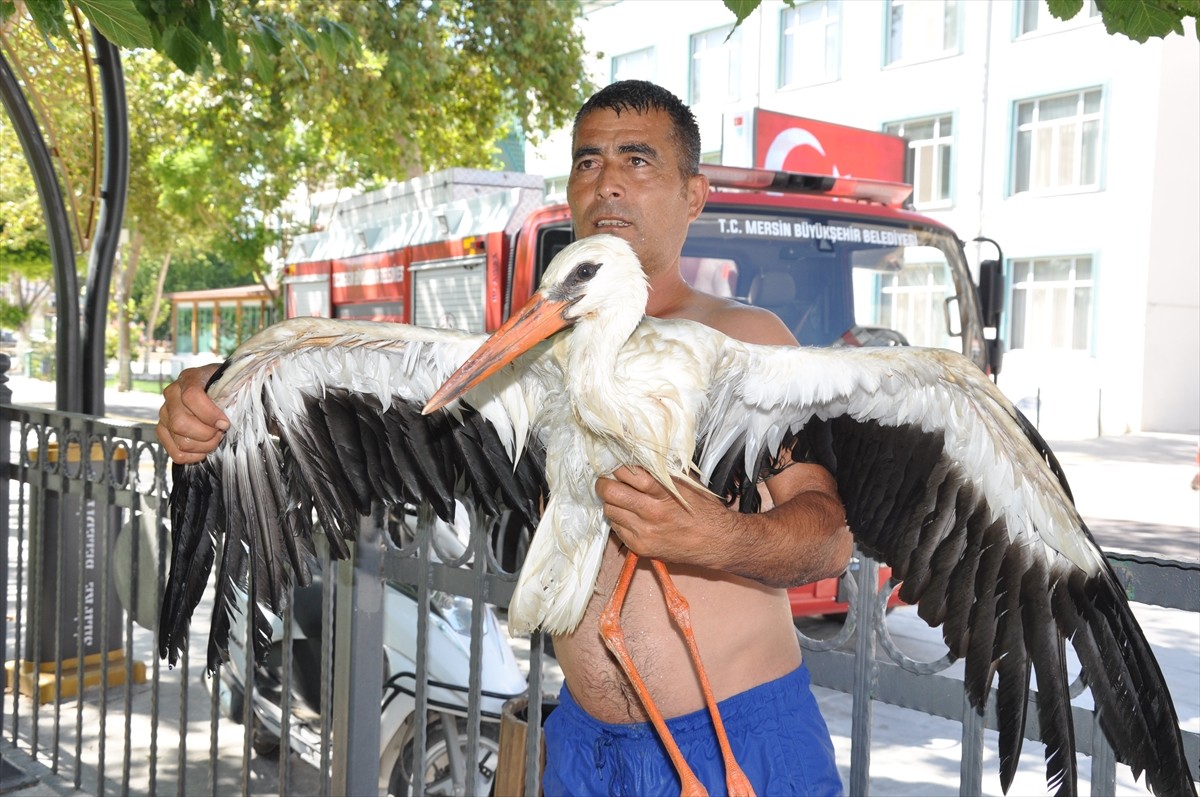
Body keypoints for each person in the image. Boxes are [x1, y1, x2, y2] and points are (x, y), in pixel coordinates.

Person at [156, 80, 853, 797]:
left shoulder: (750, 345)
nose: (608, 182)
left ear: (694, 194)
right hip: (581, 746)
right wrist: (219, 395)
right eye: (588, 162)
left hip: (738, 743)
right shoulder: (528, 359)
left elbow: (828, 539)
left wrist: (720, 537)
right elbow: (332, 399)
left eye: (637, 161)